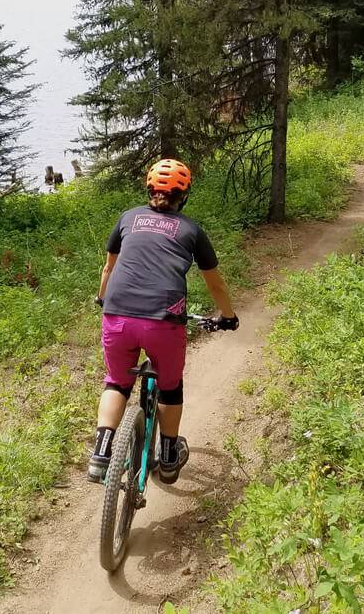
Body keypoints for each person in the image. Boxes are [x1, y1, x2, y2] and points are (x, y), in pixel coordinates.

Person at [88, 158, 239, 485]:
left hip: (117, 316)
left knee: (116, 382)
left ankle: (101, 453)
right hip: (163, 321)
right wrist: (228, 317)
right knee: (170, 387)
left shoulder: (128, 218)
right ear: (183, 196)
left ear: (149, 190)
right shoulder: (191, 230)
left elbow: (108, 269)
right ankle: (169, 459)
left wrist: (102, 298)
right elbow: (216, 284)